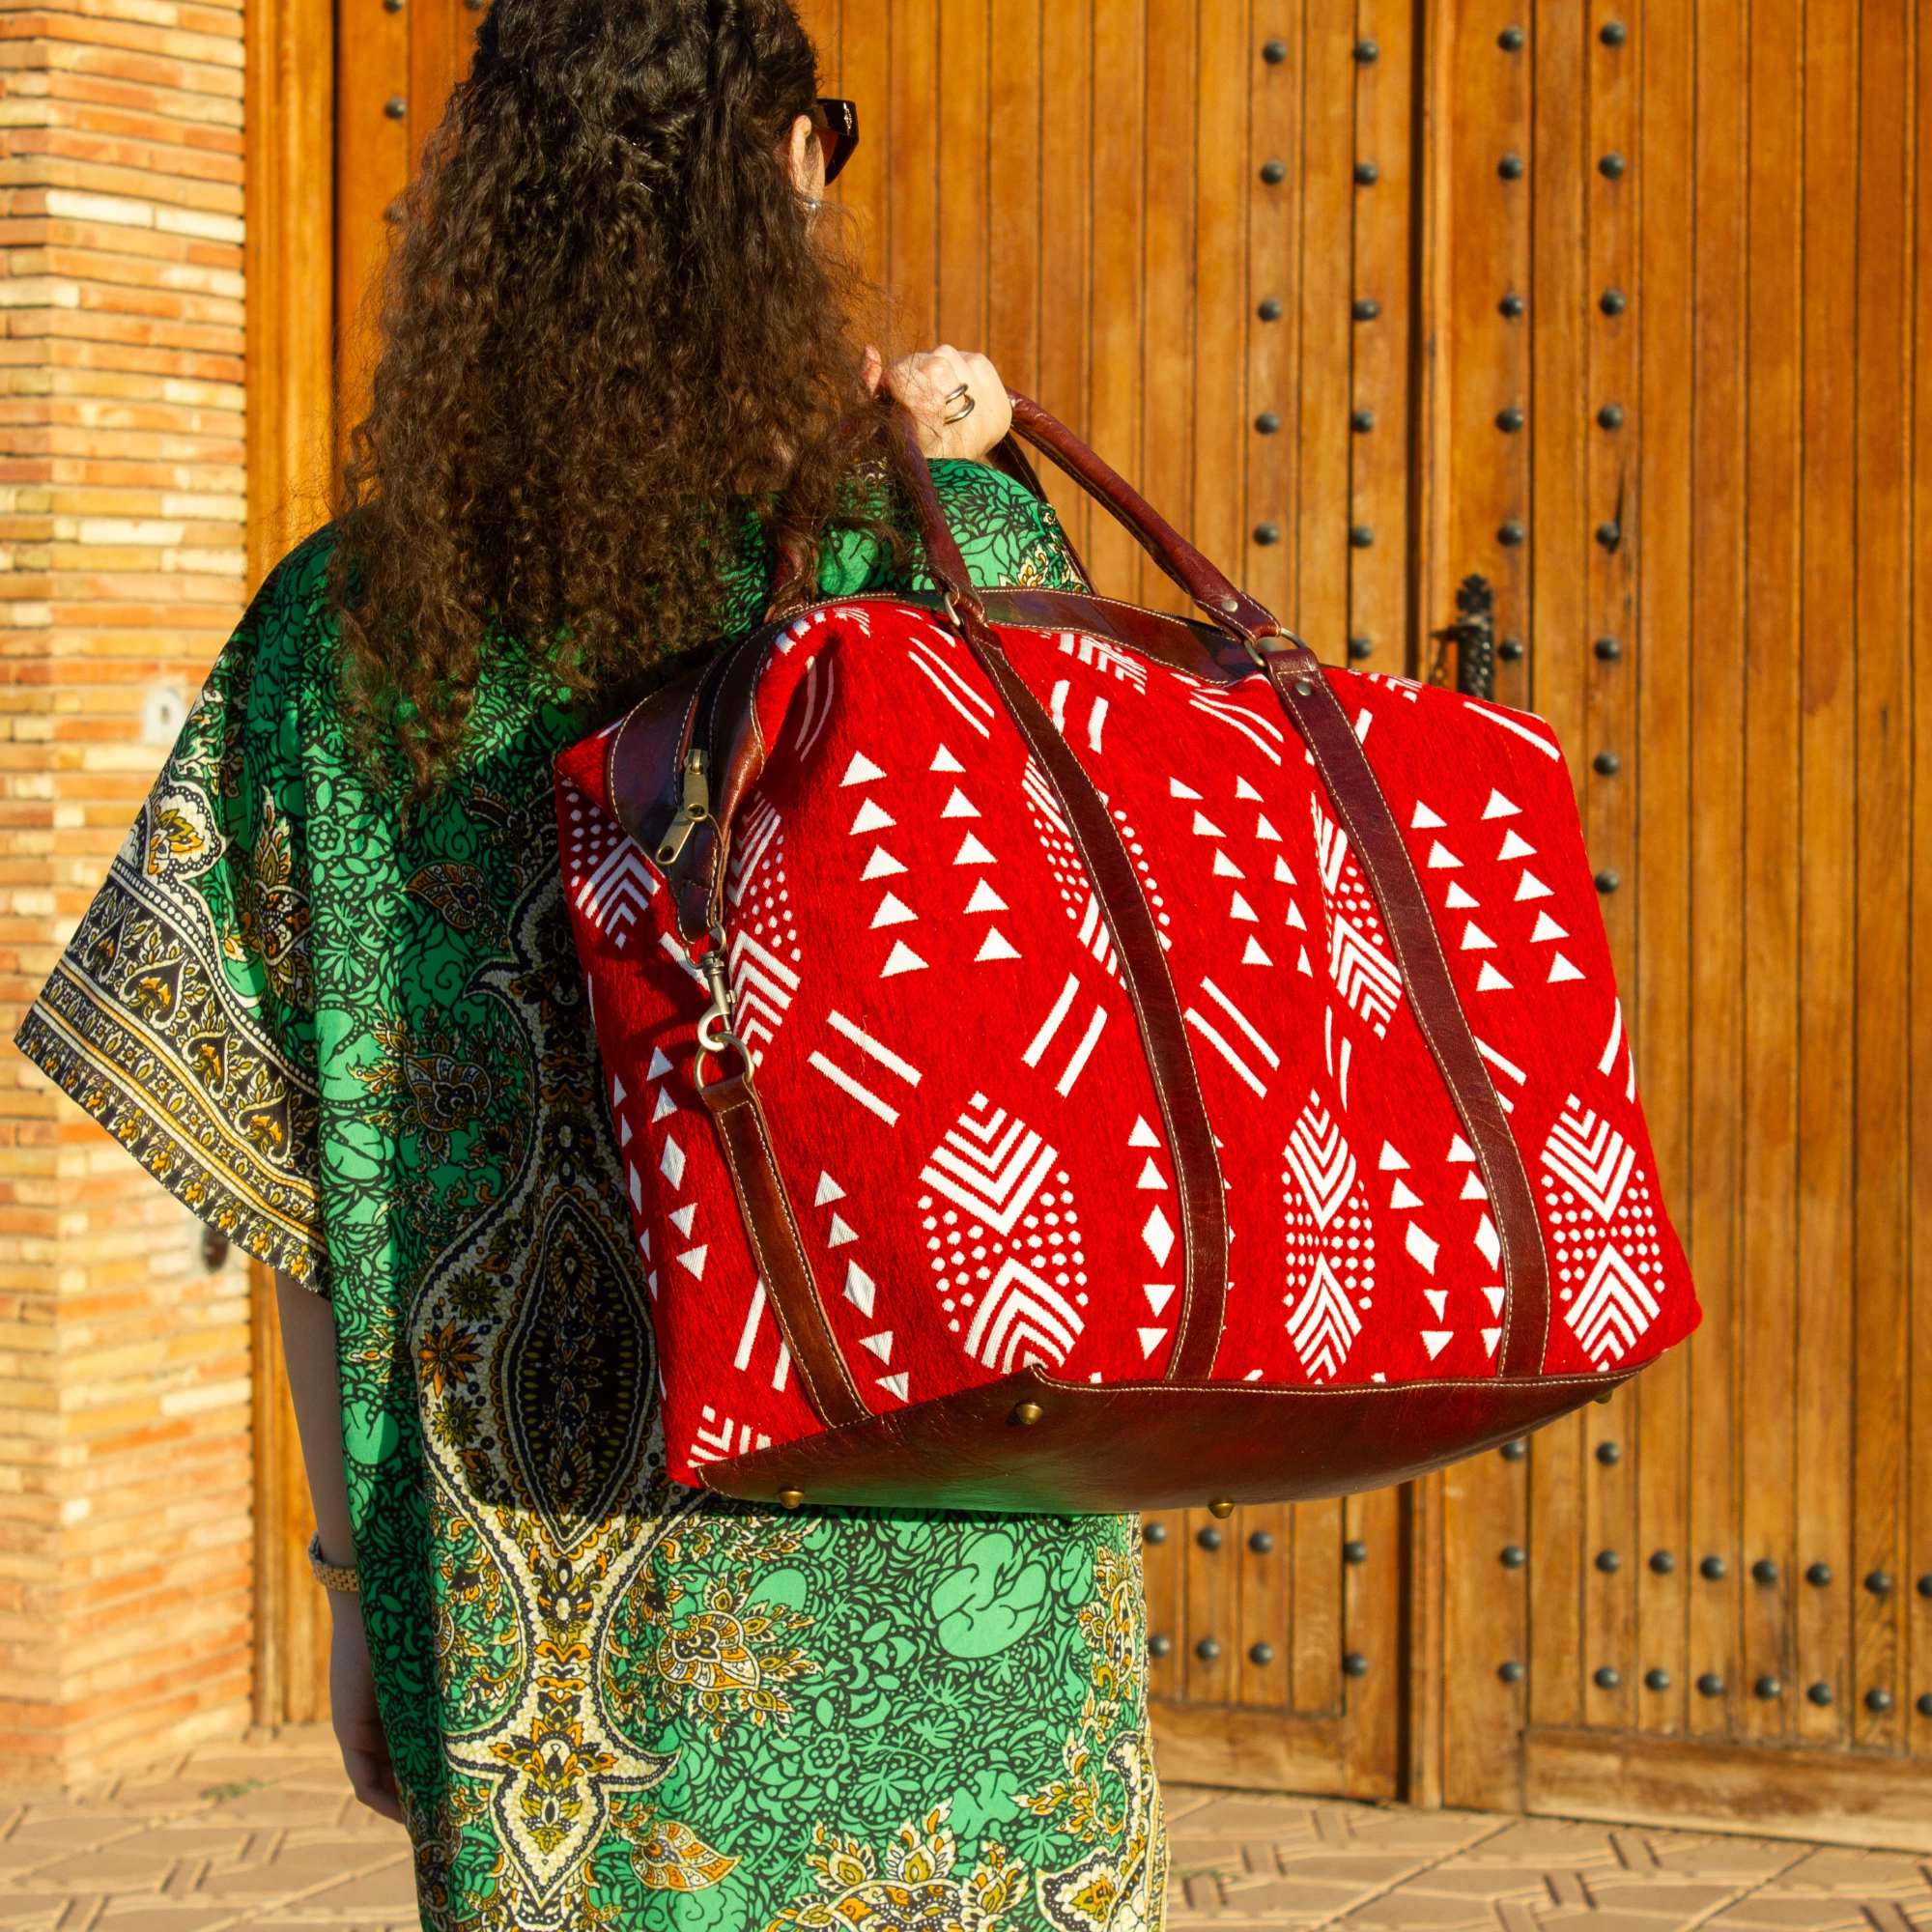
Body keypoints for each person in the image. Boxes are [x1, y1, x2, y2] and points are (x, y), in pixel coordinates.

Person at [14, 1, 1166, 1925]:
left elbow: (292, 1184)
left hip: (540, 1643)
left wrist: (353, 1599)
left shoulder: (336, 639)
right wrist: (970, 481)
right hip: (946, 1588)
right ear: (795, 170)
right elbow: (1106, 970)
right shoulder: (928, 558)